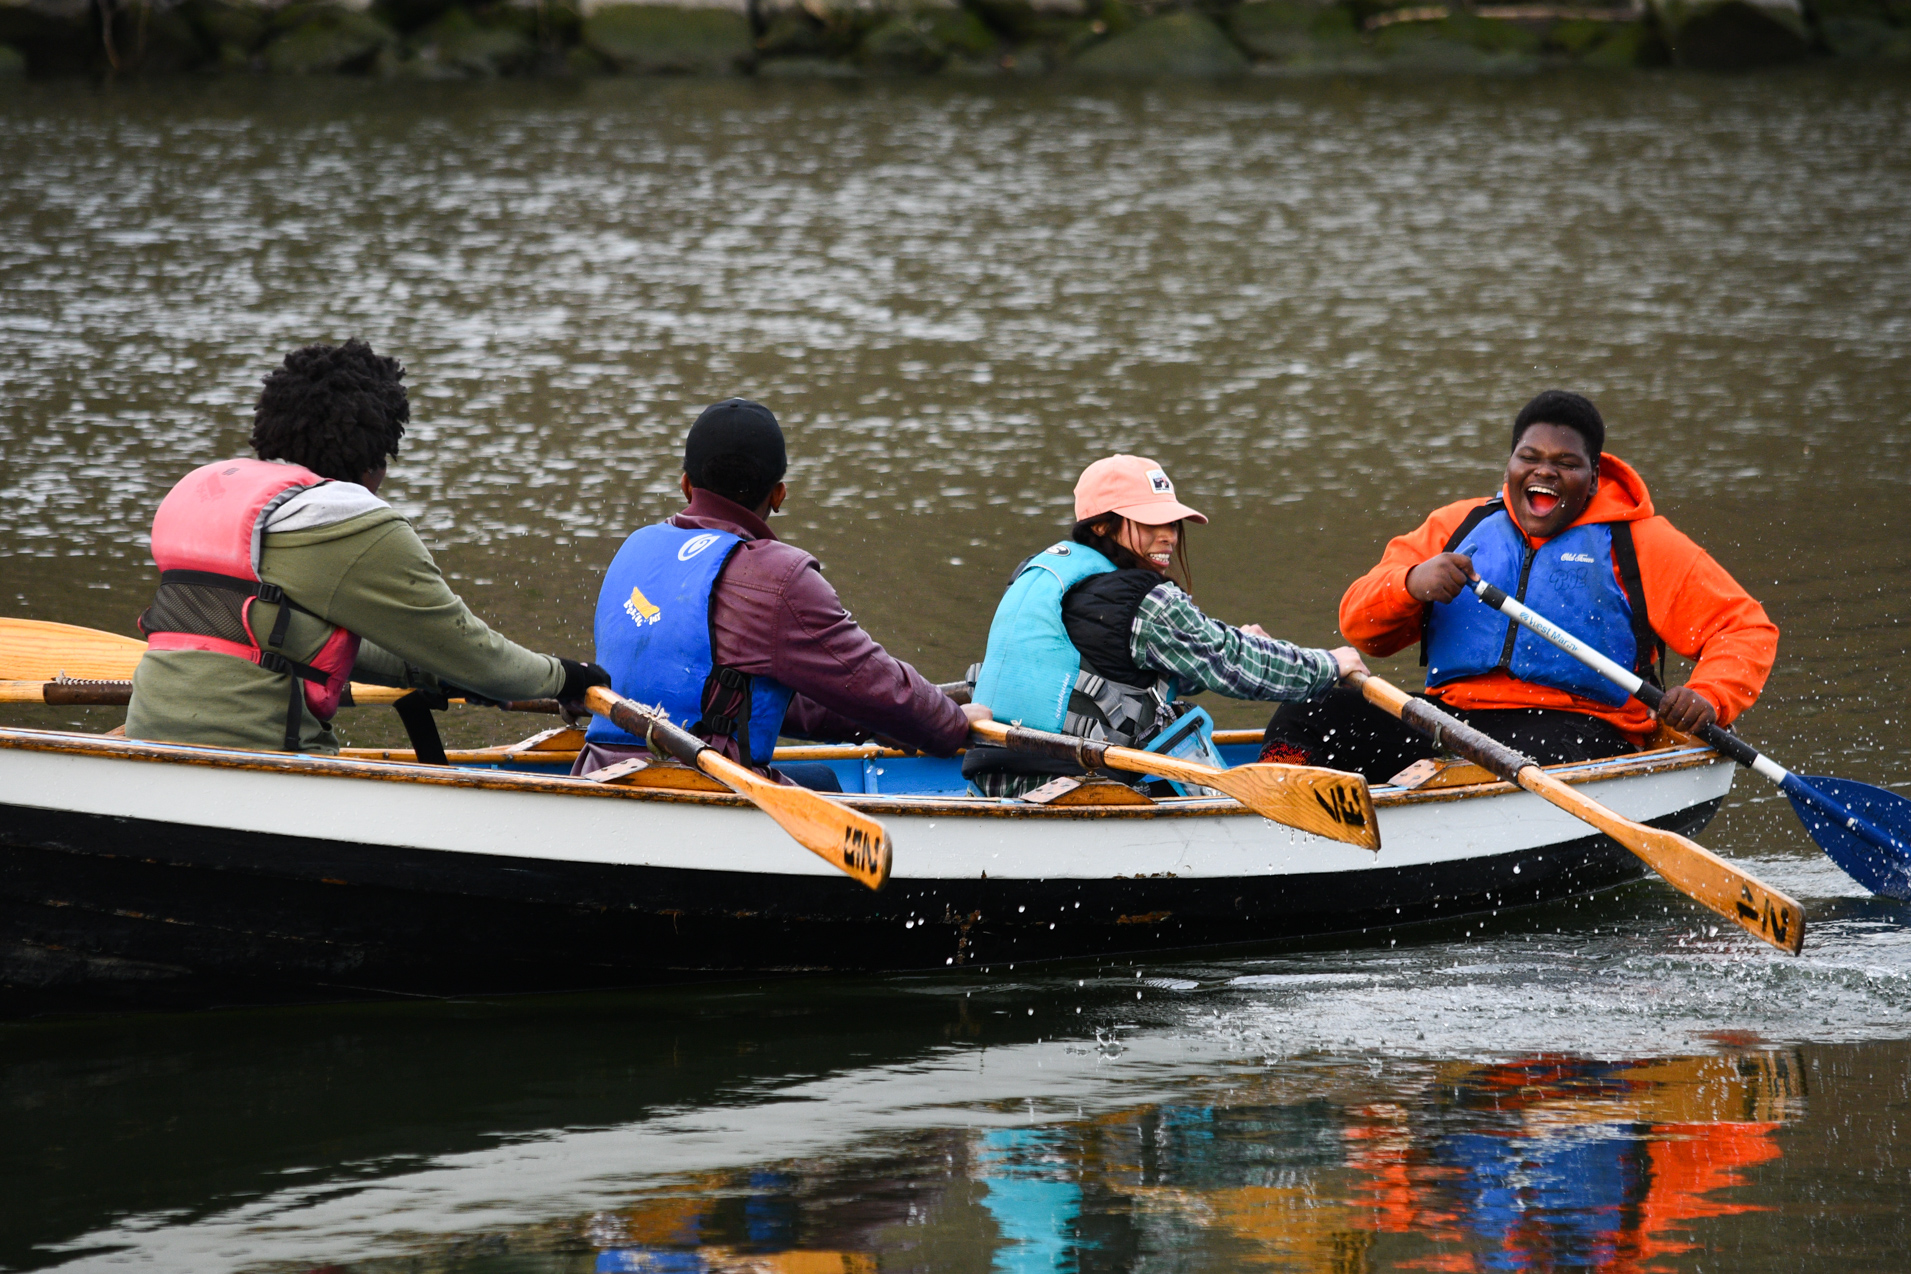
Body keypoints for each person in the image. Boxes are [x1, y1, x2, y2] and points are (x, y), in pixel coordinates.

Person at [1262, 390, 1779, 782]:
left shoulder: (1642, 543)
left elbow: (1745, 627)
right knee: (1316, 704)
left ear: (1595, 477)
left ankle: (1432, 790)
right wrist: (1410, 584)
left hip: (1582, 731)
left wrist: (1708, 695)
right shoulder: (1457, 526)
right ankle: (1280, 801)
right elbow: (1359, 625)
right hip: (1453, 718)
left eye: (1566, 463)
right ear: (1509, 465)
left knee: (1528, 756)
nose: (1545, 472)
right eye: (1530, 458)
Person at [127, 340, 610, 755]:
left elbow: (290, 637)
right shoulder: (353, 523)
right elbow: (476, 655)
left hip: (147, 736)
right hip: (267, 757)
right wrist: (567, 677)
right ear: (377, 453)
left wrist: (434, 673)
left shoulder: (215, 501)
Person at [574, 398, 988, 789]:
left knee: (821, 776)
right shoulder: (777, 578)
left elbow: (742, 698)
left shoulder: (635, 550)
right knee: (826, 783)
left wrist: (882, 723)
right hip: (700, 780)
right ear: (778, 495)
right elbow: (875, 684)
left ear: (685, 485)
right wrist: (948, 723)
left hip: (597, 768)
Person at [963, 454, 1367, 798]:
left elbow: (1125, 675)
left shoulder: (1043, 575)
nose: (1168, 537)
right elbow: (1234, 663)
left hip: (990, 782)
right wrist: (1328, 665)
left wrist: (1226, 649)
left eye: (1172, 523)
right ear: (1102, 525)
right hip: (1072, 785)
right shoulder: (1143, 600)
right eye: (1151, 523)